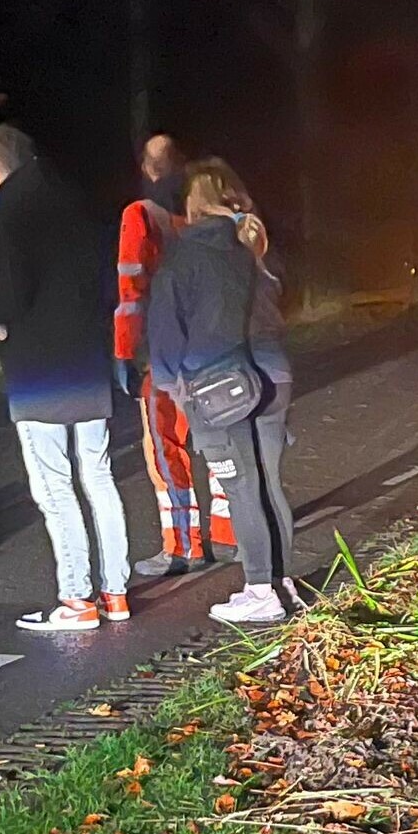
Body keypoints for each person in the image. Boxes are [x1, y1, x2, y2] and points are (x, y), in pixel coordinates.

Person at [0, 123, 133, 631]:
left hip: (38, 368)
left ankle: (76, 599)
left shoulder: (9, 206)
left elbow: (8, 287)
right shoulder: (77, 197)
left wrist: (1, 327)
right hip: (86, 358)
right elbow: (104, 275)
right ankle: (116, 592)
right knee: (99, 475)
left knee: (54, 486)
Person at [147, 157, 296, 623]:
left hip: (219, 385)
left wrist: (172, 383)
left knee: (240, 487)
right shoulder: (254, 239)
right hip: (273, 374)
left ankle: (259, 591)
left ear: (193, 204)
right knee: (269, 484)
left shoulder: (186, 253)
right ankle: (281, 581)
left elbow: (166, 328)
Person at [116, 133, 235, 576]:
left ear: (147, 170)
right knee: (218, 442)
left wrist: (125, 351)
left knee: (165, 450)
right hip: (211, 352)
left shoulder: (140, 216)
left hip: (160, 356)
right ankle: (229, 533)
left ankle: (183, 546)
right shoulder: (205, 218)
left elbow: (131, 292)